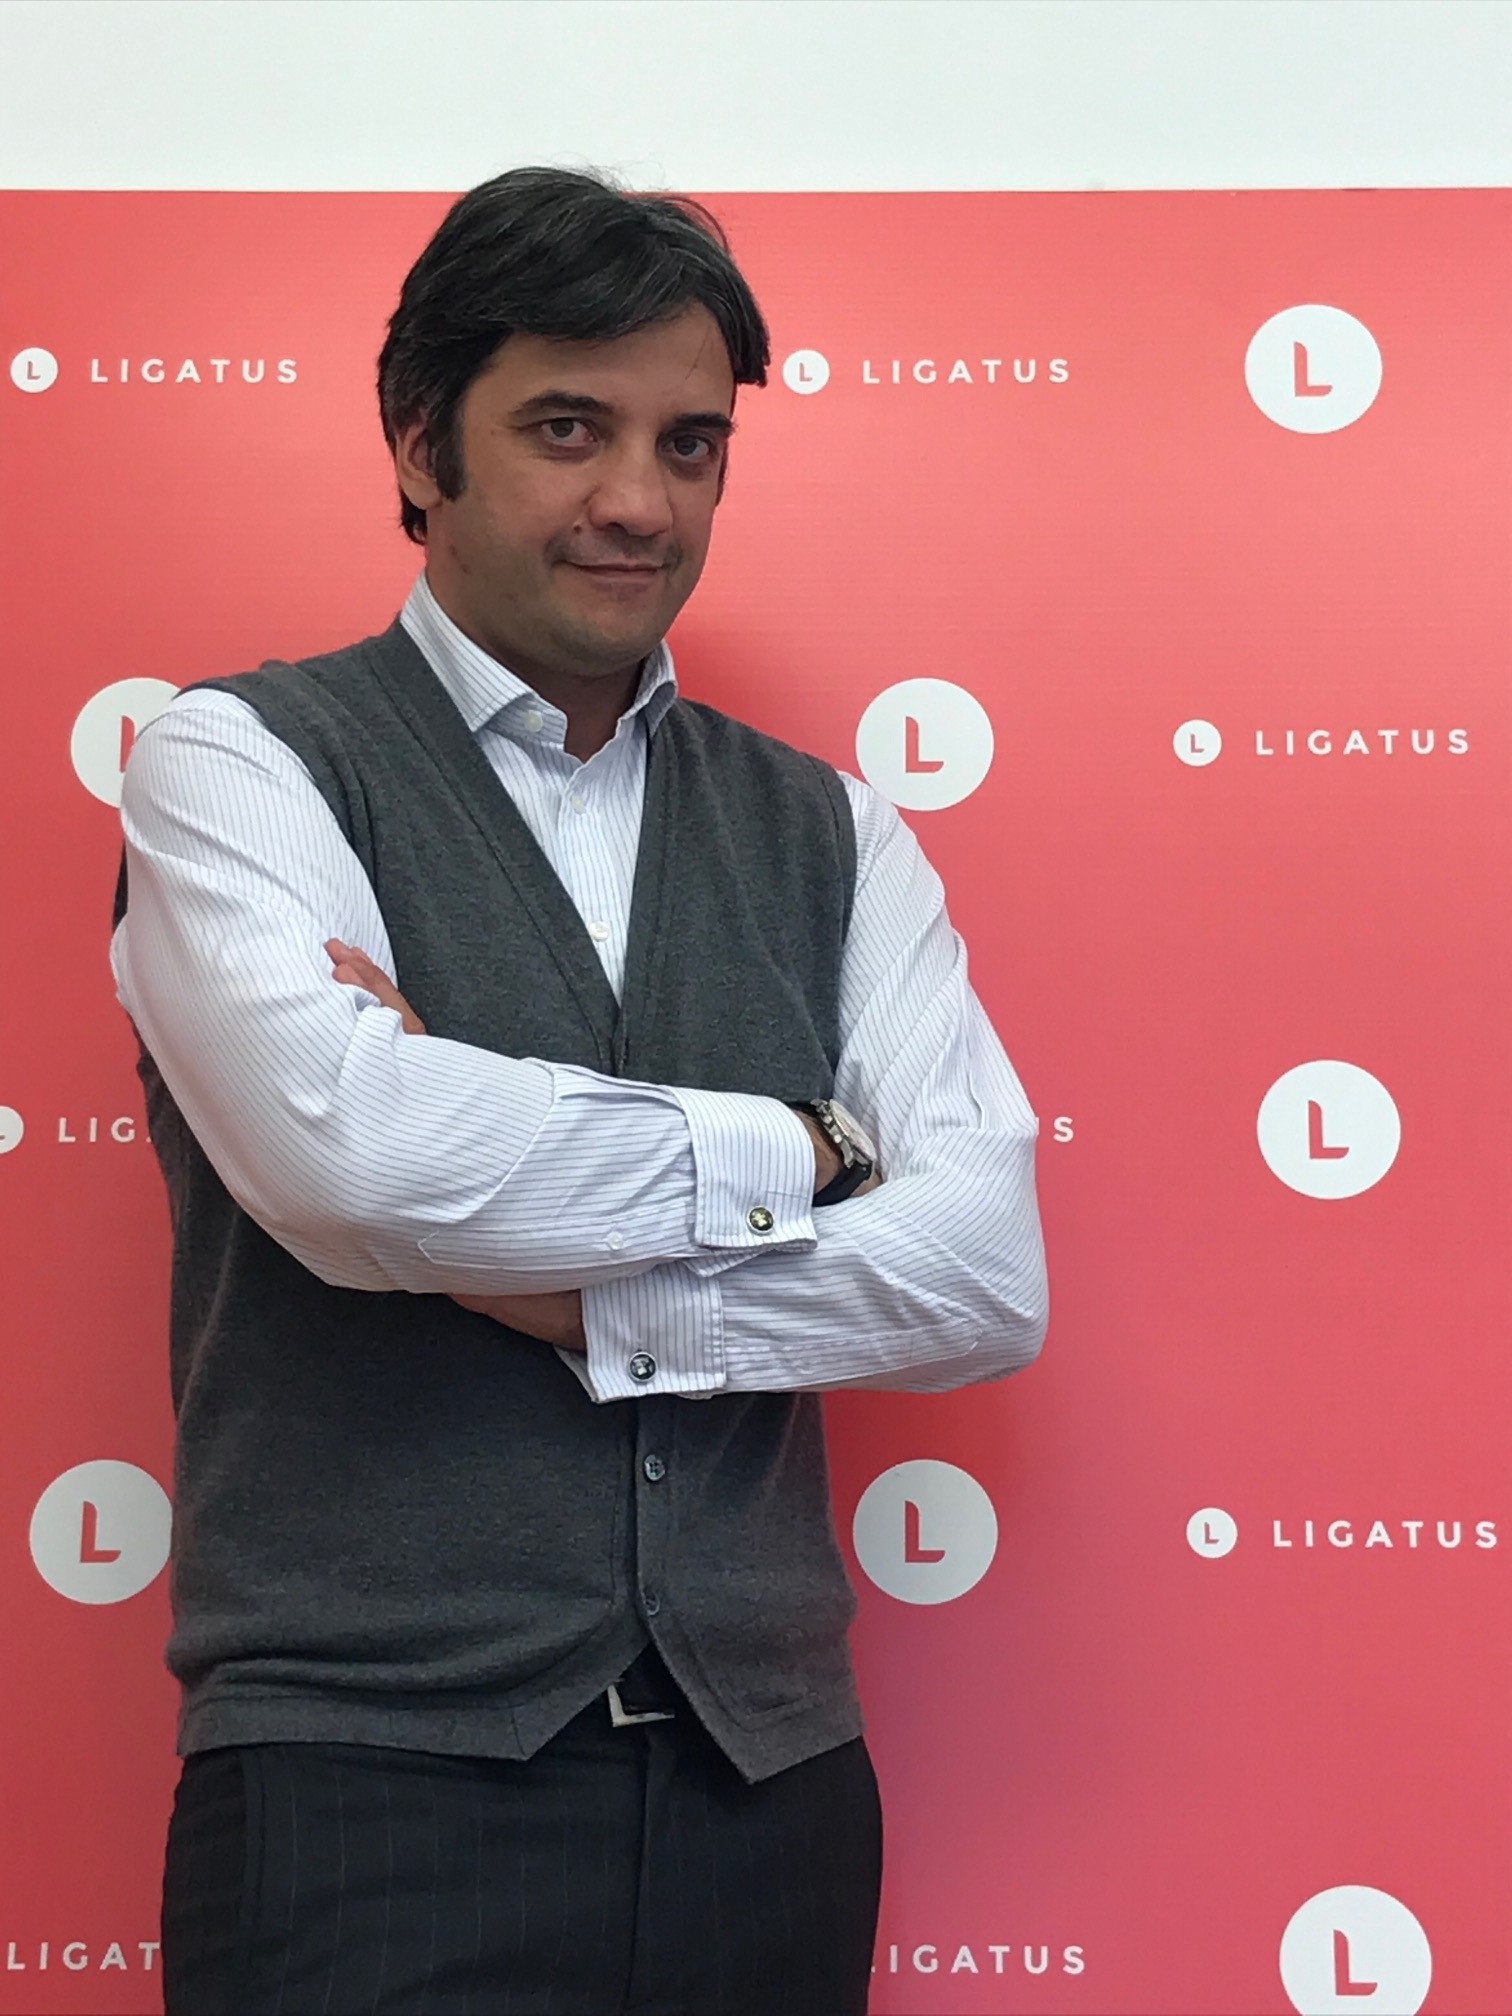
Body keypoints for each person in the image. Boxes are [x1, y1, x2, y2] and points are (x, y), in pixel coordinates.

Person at [110, 165, 1048, 2016]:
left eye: (691, 444)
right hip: (367, 1787)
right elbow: (363, 1164)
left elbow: (981, 1274)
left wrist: (585, 1292)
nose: (641, 500)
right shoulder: (240, 763)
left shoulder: (834, 829)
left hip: (768, 1791)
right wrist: (809, 1148)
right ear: (421, 443)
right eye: (567, 428)